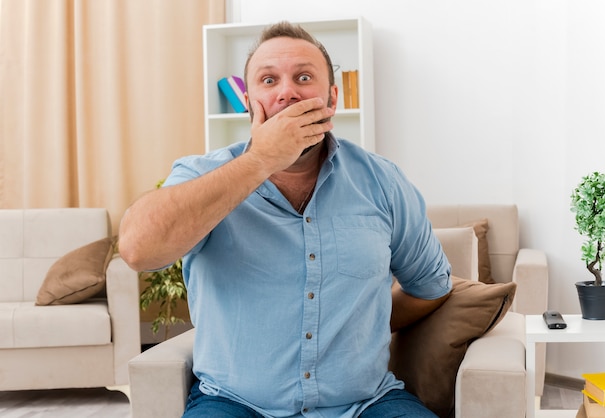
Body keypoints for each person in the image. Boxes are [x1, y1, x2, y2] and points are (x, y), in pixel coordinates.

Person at [119, 21, 451, 418]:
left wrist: (361, 326)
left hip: (367, 404)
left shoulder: (383, 182)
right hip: (232, 403)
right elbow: (138, 250)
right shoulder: (200, 175)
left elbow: (430, 287)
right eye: (268, 79)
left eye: (304, 77)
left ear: (332, 99)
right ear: (249, 102)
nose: (287, 91)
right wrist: (260, 159)